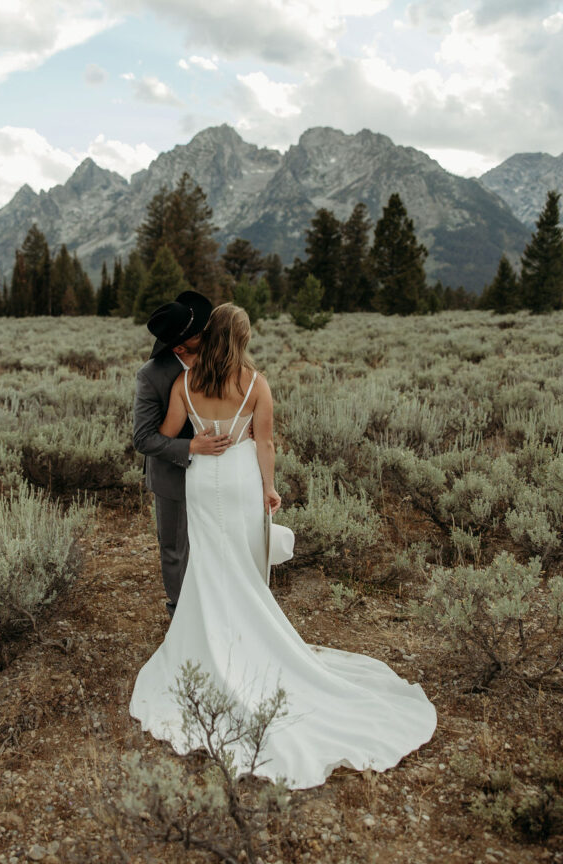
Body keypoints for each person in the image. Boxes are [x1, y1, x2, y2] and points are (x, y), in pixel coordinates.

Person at [130, 303, 437, 789]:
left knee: (208, 563)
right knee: (245, 566)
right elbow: (266, 444)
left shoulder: (183, 385)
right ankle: (252, 641)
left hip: (202, 475)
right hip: (238, 480)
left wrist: (197, 441)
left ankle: (209, 643)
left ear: (208, 339)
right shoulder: (256, 384)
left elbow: (166, 434)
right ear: (244, 341)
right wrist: (269, 488)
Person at [133, 290, 233, 618]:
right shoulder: (152, 376)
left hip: (218, 472)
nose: (207, 336)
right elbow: (143, 439)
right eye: (199, 334)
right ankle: (182, 616)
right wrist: (191, 447)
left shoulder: (217, 360)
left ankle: (212, 607)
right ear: (179, 347)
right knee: (175, 548)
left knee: (214, 542)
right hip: (172, 476)